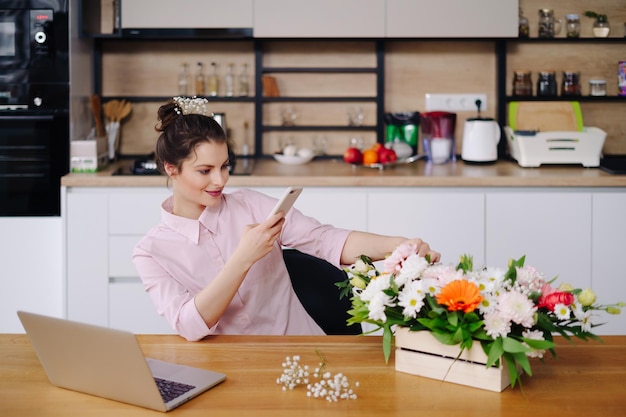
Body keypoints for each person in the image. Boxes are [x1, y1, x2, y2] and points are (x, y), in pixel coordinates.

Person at [132, 97, 441, 341]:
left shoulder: (251, 205)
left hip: (301, 346)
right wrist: (243, 259)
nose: (220, 180)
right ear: (171, 168)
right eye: (205, 171)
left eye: (225, 166)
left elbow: (324, 239)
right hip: (225, 368)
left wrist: (397, 245)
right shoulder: (151, 253)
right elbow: (190, 325)